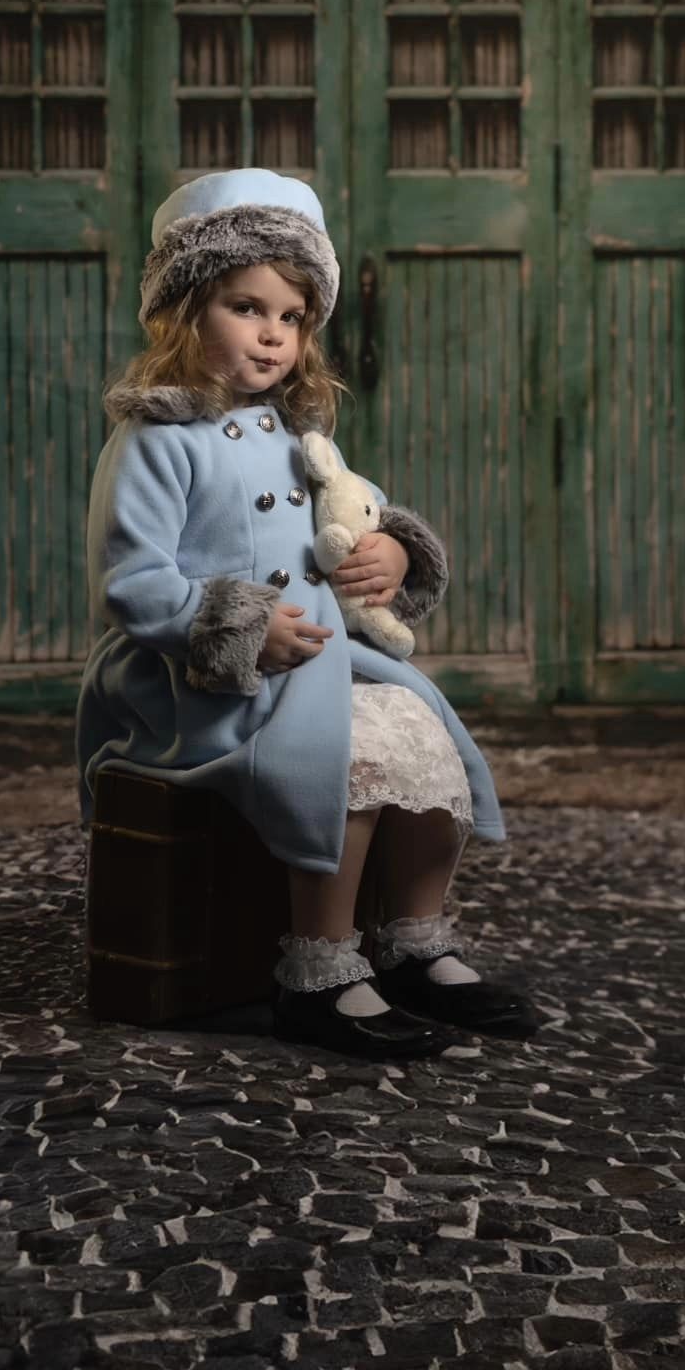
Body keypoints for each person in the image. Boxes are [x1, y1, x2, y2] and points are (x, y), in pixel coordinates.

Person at [75, 167, 540, 1059]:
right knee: (347, 754)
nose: (273, 336)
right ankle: (320, 970)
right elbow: (132, 582)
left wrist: (392, 554)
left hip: (321, 661)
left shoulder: (300, 435)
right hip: (193, 677)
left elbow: (351, 516)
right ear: (183, 310)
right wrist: (241, 627)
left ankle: (413, 938)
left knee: (420, 731)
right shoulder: (154, 439)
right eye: (247, 308)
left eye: (291, 318)